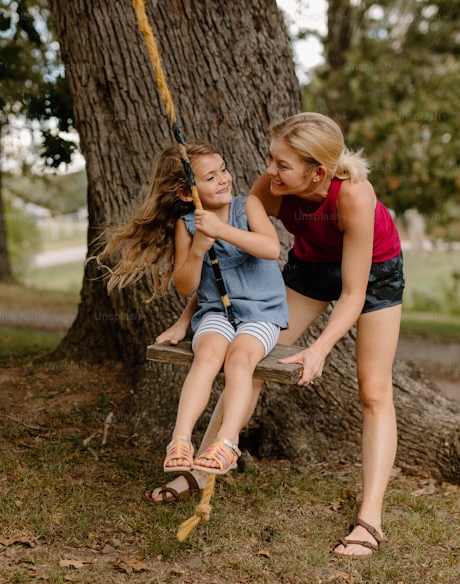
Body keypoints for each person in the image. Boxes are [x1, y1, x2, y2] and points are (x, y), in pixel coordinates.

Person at [154, 112, 405, 558]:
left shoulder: (353, 197)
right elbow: (220, 264)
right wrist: (186, 317)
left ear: (318, 172)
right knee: (247, 357)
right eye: (271, 159)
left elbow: (352, 292)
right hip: (309, 269)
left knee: (374, 391)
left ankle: (370, 520)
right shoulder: (269, 188)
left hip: (375, 274)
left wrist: (320, 349)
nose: (269, 171)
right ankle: (204, 466)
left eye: (282, 164)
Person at [96, 142, 288, 495]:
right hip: (216, 313)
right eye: (210, 177)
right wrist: (199, 246)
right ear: (187, 193)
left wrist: (221, 230)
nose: (223, 180)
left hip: (262, 313)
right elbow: (187, 287)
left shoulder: (249, 206)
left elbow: (270, 248)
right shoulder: (187, 226)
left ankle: (227, 443)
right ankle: (180, 440)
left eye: (223, 170)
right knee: (208, 354)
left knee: (241, 358)